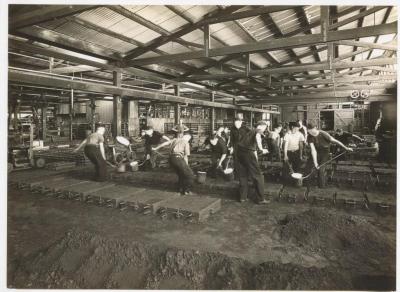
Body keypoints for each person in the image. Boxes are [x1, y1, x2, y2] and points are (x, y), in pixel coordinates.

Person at [307, 122, 353, 188]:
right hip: (317, 151)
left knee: (321, 170)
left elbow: (336, 141)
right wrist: (315, 162)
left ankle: (321, 187)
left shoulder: (323, 133)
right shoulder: (309, 136)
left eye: (311, 131)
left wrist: (346, 148)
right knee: (310, 167)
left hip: (325, 152)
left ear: (315, 128)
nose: (310, 133)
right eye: (308, 131)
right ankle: (308, 185)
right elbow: (313, 150)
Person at [236, 121, 270, 204]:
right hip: (248, 153)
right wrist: (261, 149)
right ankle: (261, 199)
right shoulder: (258, 130)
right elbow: (258, 137)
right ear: (261, 126)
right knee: (258, 175)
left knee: (243, 175)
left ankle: (243, 198)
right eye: (265, 127)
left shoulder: (249, 131)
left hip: (240, 153)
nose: (265, 129)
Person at [153, 130, 194, 195]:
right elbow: (186, 156)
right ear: (188, 138)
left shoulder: (175, 139)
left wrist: (156, 148)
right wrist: (186, 165)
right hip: (178, 158)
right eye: (189, 138)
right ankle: (186, 190)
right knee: (190, 174)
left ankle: (179, 189)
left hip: (171, 159)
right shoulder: (186, 142)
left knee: (181, 174)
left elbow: (165, 143)